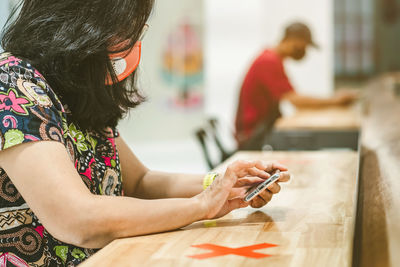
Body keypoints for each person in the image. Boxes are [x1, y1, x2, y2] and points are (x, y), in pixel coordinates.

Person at [0, 1, 290, 266]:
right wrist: (201, 205)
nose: (132, 40)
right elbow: (77, 219)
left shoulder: (74, 88)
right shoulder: (12, 83)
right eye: (125, 27)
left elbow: (139, 181)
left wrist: (222, 184)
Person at [234, 22, 357, 150]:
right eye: (304, 45)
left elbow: (292, 97)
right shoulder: (268, 61)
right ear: (294, 40)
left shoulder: (273, 58)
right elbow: (295, 100)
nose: (305, 51)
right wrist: (335, 100)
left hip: (262, 131)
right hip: (253, 136)